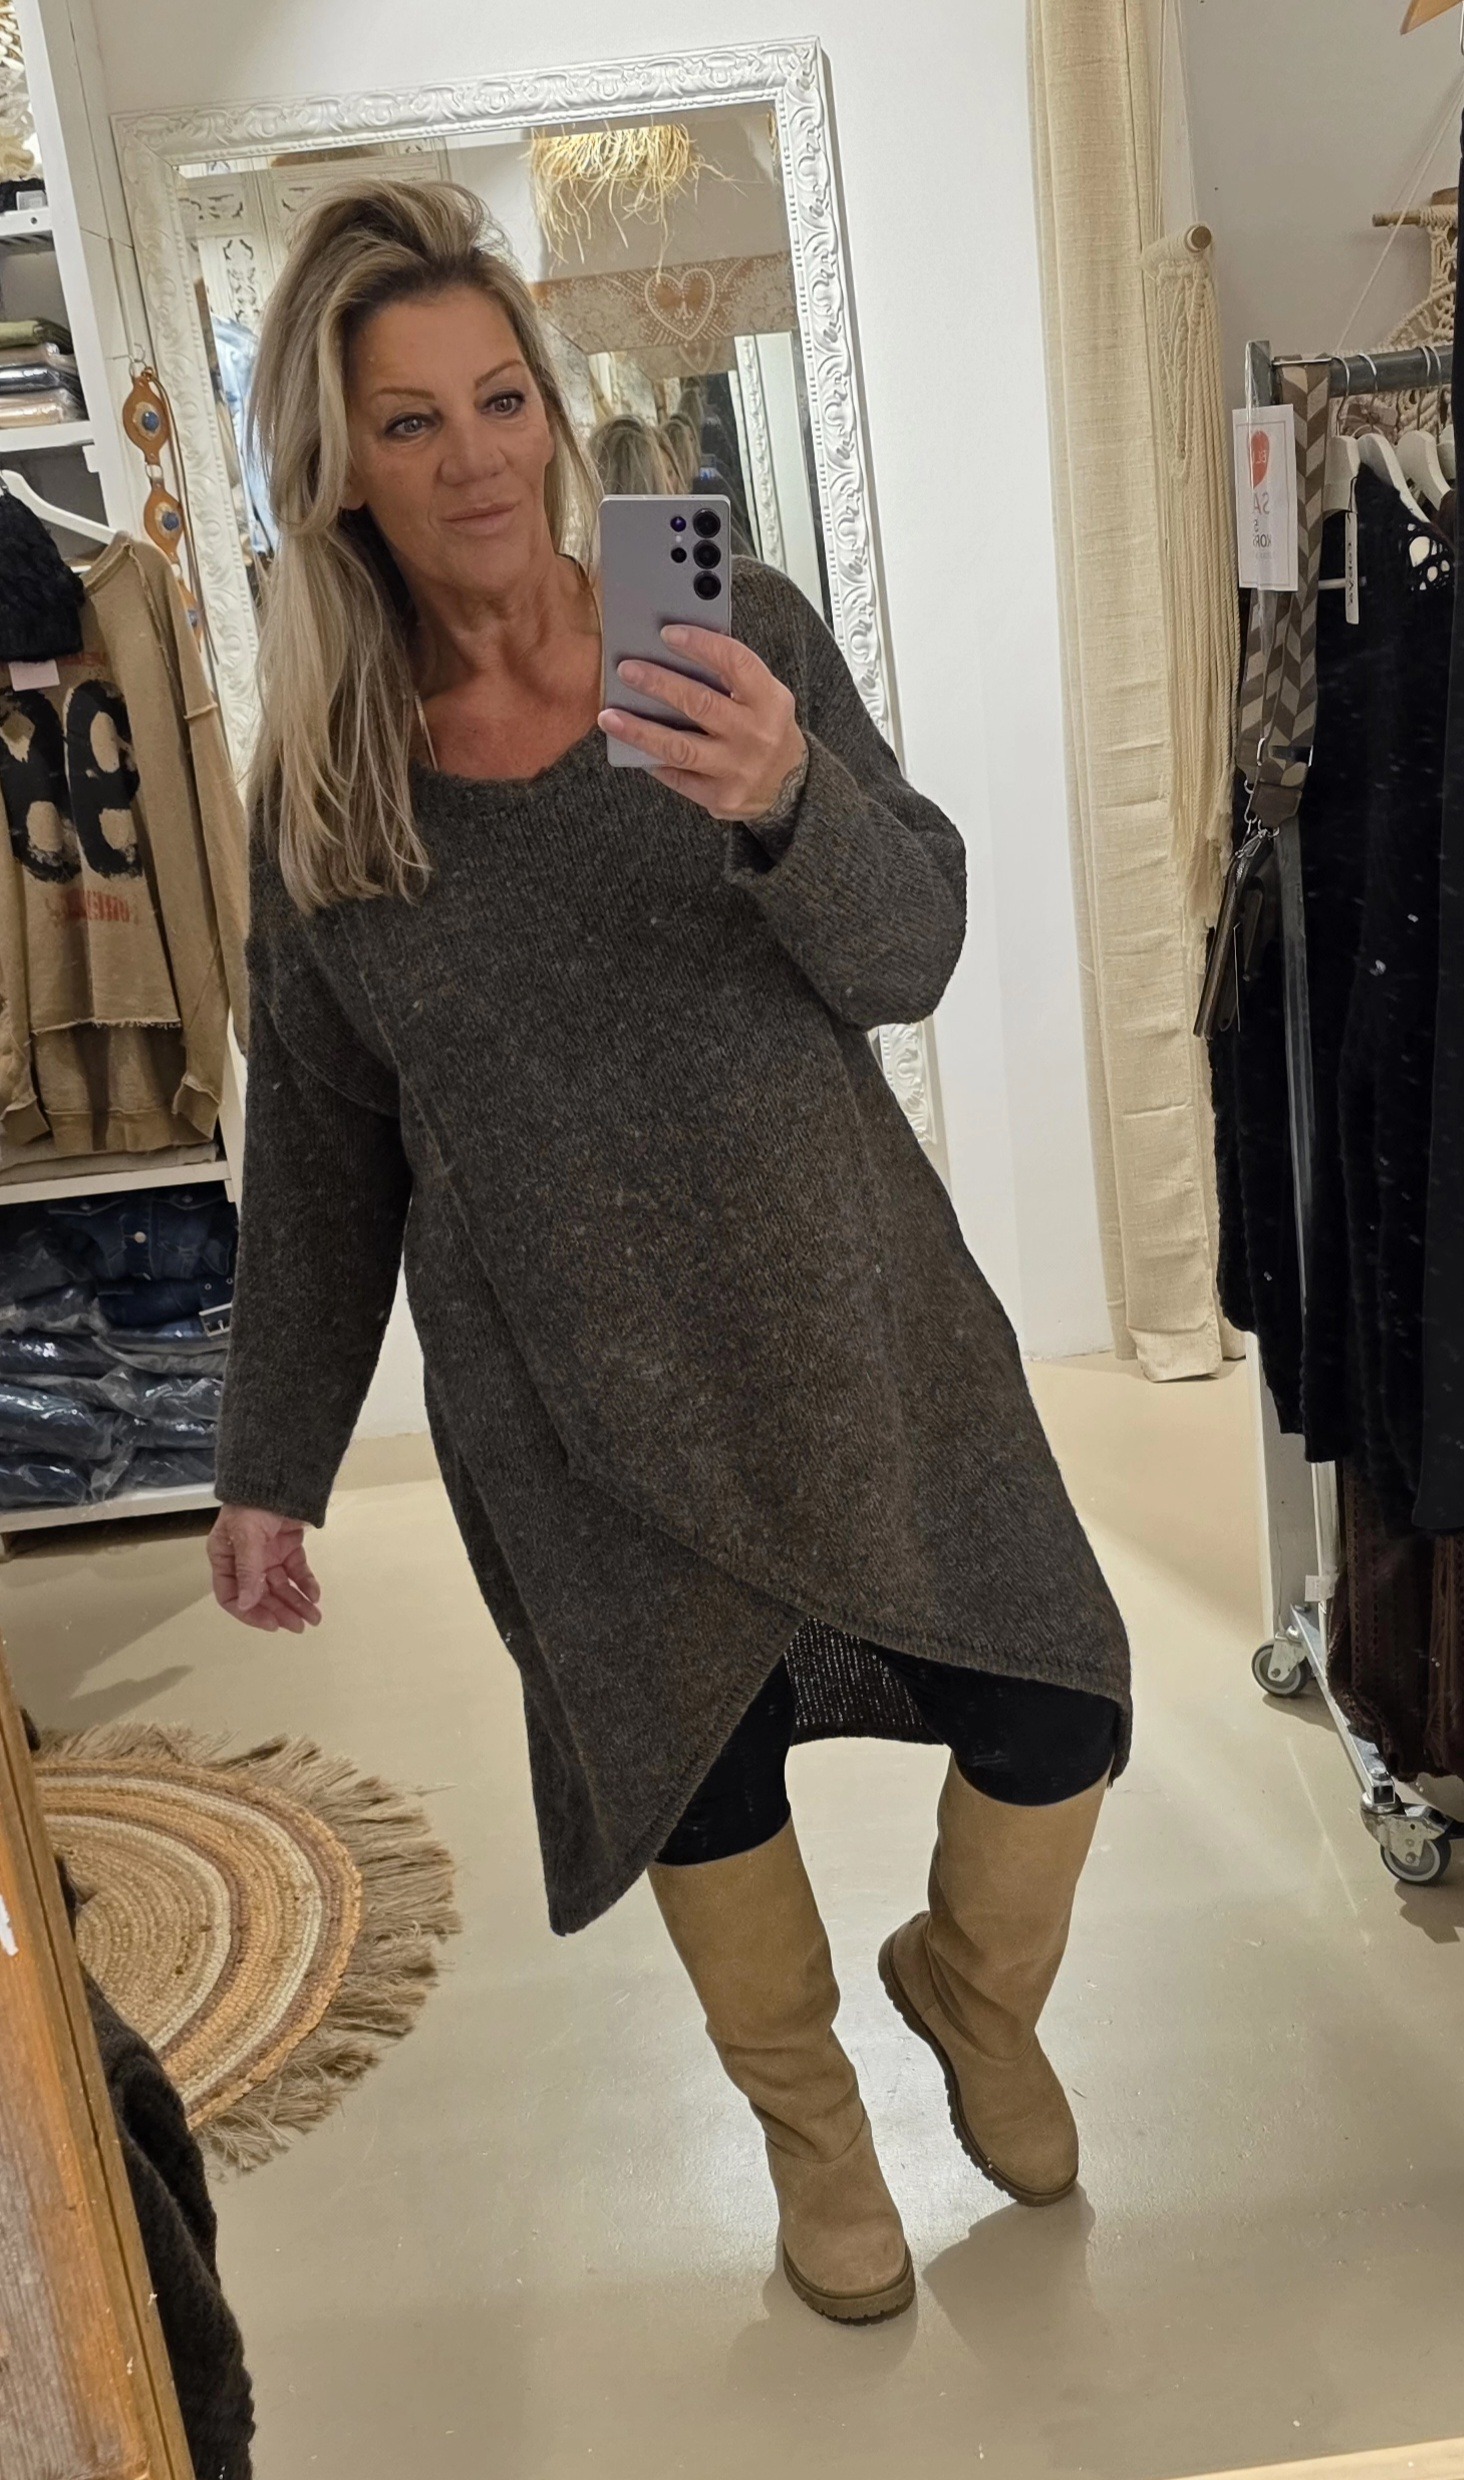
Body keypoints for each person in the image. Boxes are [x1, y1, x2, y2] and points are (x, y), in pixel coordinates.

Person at [208, 175, 1131, 2329]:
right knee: (696, 1783)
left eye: (502, 396)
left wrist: (791, 792)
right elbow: (327, 1152)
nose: (479, 459)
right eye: (410, 421)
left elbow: (912, 947)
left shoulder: (728, 628)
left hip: (858, 1327)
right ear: (337, 473)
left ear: (552, 402)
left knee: (1054, 1700)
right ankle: (815, 2135)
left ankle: (973, 1992)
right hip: (576, 1403)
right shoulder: (328, 786)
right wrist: (272, 1459)